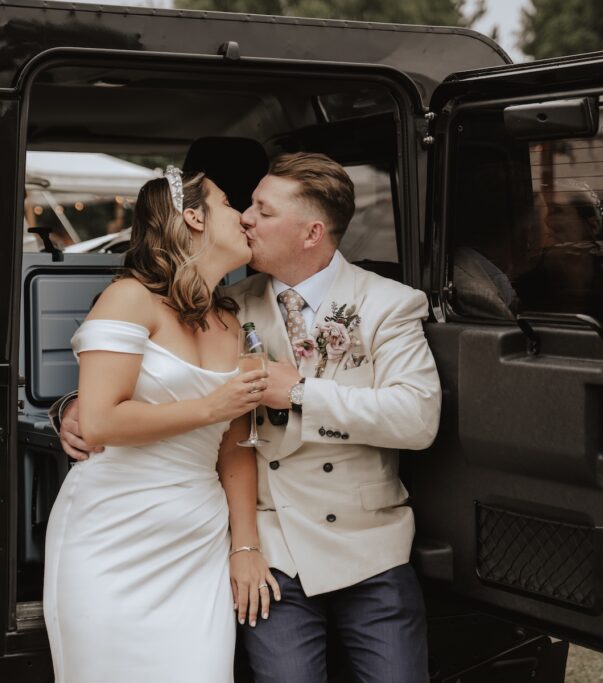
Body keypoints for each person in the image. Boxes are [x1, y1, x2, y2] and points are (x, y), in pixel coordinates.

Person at [58, 152, 442, 681]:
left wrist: (303, 392)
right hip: (269, 544)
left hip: (364, 544)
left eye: (262, 210)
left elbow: (417, 417)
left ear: (311, 233)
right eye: (240, 206)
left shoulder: (388, 304)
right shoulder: (227, 305)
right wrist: (75, 406)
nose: (245, 218)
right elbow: (140, 381)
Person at [42, 169, 276, 682]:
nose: (242, 216)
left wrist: (245, 547)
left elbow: (235, 450)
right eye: (228, 202)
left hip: (197, 541)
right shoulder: (128, 298)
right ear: (193, 216)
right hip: (112, 535)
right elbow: (101, 420)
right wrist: (213, 406)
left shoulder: (231, 323)